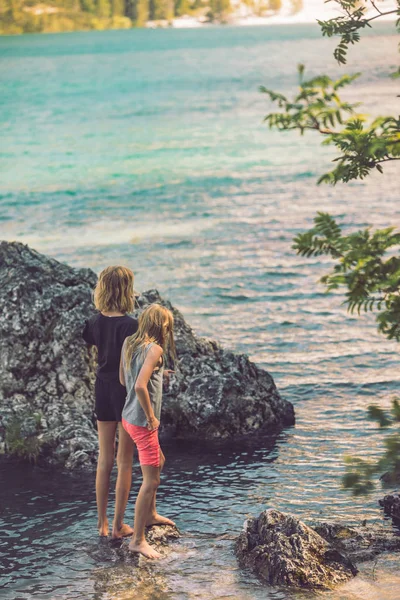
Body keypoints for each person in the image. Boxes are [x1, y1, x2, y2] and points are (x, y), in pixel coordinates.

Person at [83, 266, 138, 539]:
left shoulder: (94, 322)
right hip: (125, 391)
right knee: (124, 460)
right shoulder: (132, 325)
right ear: (127, 290)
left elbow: (91, 341)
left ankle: (102, 524)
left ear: (102, 288)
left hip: (102, 388)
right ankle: (119, 526)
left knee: (104, 458)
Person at [121, 303, 176, 559]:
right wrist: (152, 416)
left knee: (159, 461)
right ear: (161, 325)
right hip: (143, 422)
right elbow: (140, 386)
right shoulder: (155, 349)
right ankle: (138, 539)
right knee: (151, 480)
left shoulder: (130, 343)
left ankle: (151, 515)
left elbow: (125, 379)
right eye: (168, 325)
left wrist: (158, 372)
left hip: (128, 418)